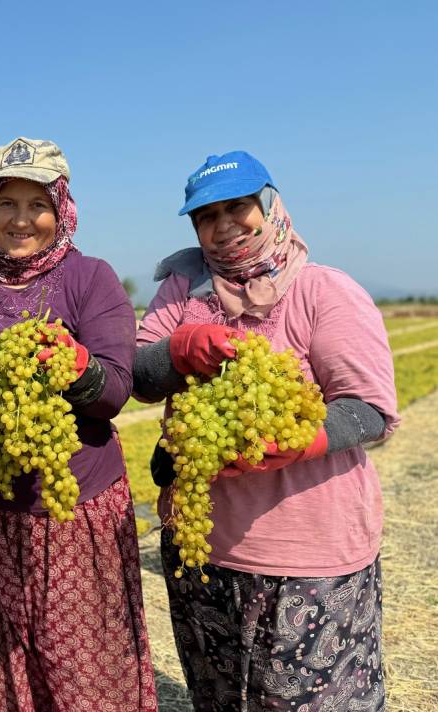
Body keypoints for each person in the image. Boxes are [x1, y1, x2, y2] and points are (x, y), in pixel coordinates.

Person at [134, 151, 399, 711]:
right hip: (202, 548)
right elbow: (137, 375)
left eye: (238, 207)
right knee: (220, 697)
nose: (224, 224)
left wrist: (303, 441)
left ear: (271, 206)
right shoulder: (183, 292)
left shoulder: (324, 291)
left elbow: (370, 408)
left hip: (309, 555)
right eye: (207, 216)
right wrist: (177, 350)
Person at [0, 137, 158, 711]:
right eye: (7, 203)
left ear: (62, 210)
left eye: (37, 204)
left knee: (84, 672)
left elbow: (116, 390)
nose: (21, 219)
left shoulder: (91, 279)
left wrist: (78, 369)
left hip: (69, 508)